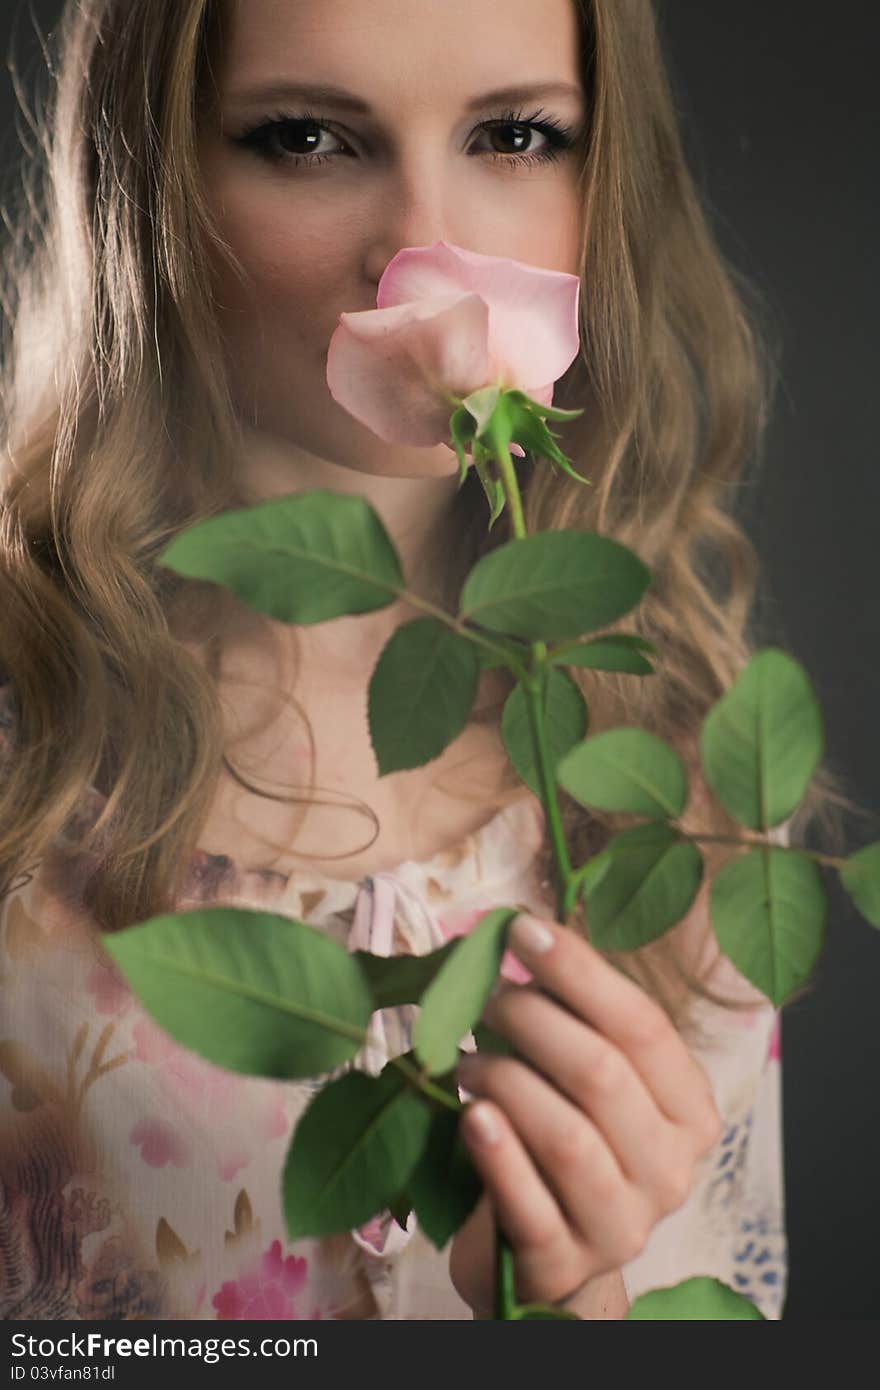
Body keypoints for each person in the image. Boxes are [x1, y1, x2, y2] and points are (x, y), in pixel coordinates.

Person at [0, 0, 848, 1321]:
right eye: (305, 138)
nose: (424, 250)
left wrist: (579, 1309)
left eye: (515, 134)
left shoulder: (695, 794)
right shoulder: (23, 778)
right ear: (150, 172)